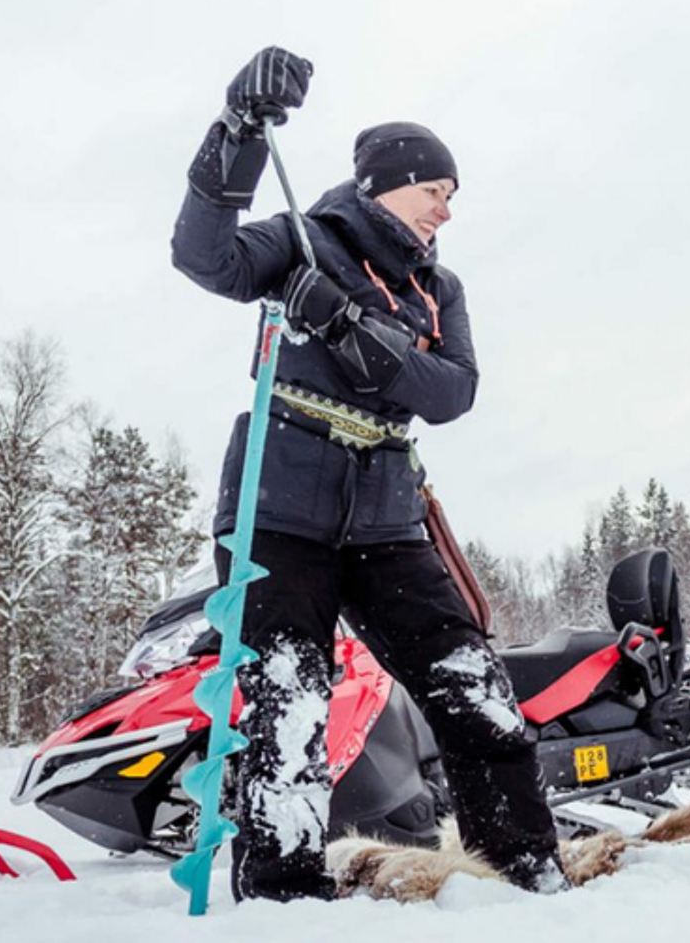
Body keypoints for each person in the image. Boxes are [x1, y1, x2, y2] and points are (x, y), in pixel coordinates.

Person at [170, 46, 566, 902]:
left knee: (474, 687)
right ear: (390, 183)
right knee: (290, 701)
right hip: (279, 508)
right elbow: (204, 256)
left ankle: (523, 873)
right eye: (436, 191)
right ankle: (282, 895)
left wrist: (347, 325)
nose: (446, 211)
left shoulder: (437, 288)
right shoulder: (302, 241)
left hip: (386, 517)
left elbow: (451, 391)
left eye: (452, 197)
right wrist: (238, 130)